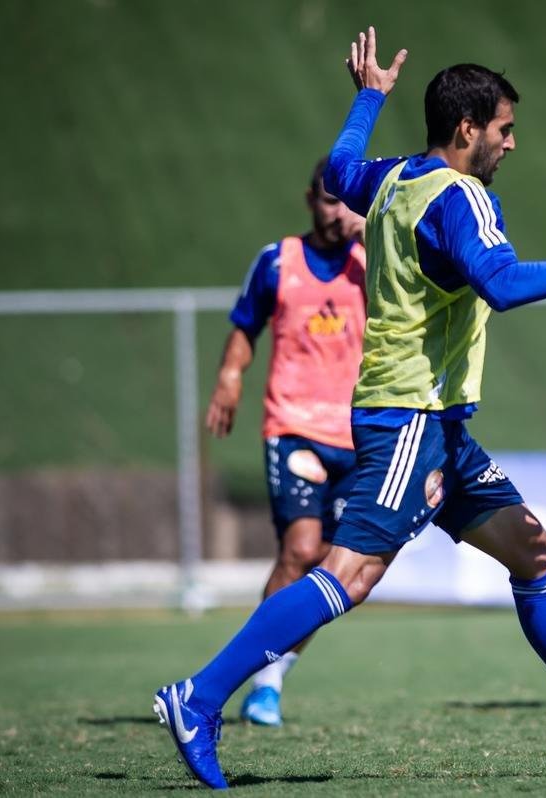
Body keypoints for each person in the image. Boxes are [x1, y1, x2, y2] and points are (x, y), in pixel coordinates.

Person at [153, 27, 546, 789]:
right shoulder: (463, 198)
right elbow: (504, 284)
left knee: (535, 552)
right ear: (469, 131)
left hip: (438, 423)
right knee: (348, 574)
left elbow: (337, 170)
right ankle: (197, 699)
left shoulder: (395, 180)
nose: (512, 144)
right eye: (505, 129)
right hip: (410, 419)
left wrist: (368, 100)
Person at [203, 157, 367, 727]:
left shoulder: (372, 263)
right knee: (299, 549)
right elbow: (244, 327)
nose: (337, 211)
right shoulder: (279, 261)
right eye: (328, 199)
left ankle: (272, 675)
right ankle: (260, 682)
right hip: (293, 426)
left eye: (348, 200)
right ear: (309, 200)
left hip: (358, 432)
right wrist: (229, 379)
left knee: (329, 566)